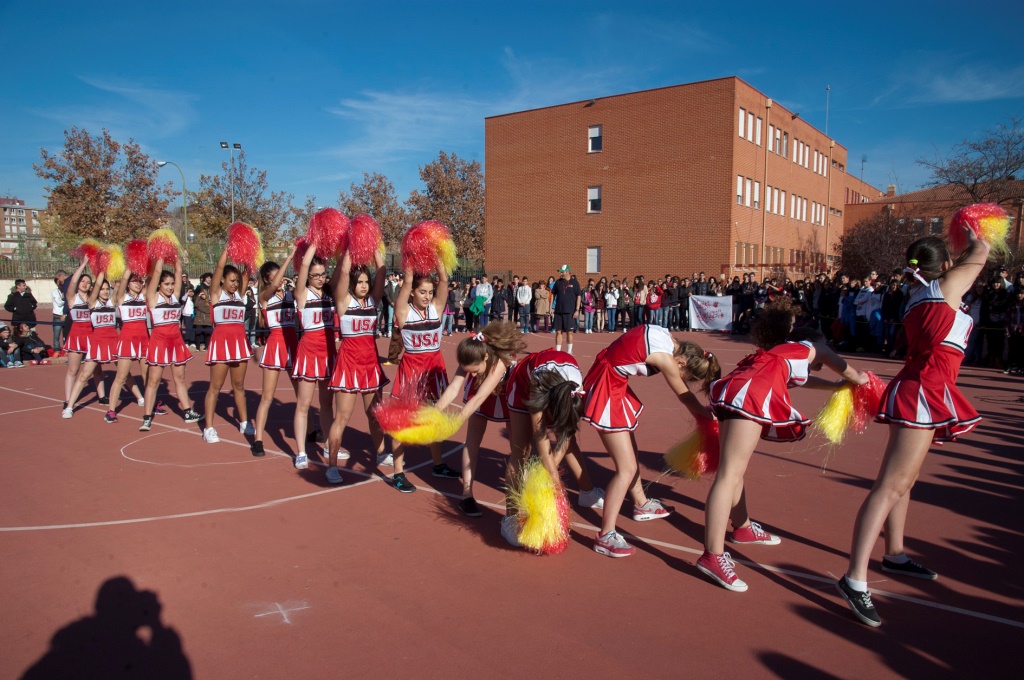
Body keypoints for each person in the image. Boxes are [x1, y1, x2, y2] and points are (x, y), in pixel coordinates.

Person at [837, 230, 989, 627]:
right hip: (923, 390)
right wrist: (974, 229)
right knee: (890, 485)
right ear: (947, 266)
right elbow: (982, 251)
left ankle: (895, 554)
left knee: (904, 481)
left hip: (920, 388)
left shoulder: (919, 294)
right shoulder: (942, 290)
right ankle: (854, 578)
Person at [699, 303, 867, 592]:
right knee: (729, 474)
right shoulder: (809, 347)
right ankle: (712, 556)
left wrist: (835, 387)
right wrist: (858, 379)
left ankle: (743, 527)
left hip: (733, 390)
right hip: (749, 396)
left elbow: (801, 381)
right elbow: (834, 360)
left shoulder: (783, 356)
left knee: (733, 469)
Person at [581, 324, 720, 557]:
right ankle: (605, 535)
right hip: (607, 388)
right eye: (684, 375)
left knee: (631, 453)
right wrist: (709, 417)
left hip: (614, 384)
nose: (679, 377)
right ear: (681, 363)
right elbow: (685, 396)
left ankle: (641, 504)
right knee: (626, 469)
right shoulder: (666, 359)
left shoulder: (668, 337)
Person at [500, 348, 605, 545]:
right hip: (523, 384)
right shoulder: (538, 388)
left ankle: (588, 493)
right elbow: (541, 437)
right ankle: (510, 519)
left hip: (557, 387)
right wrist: (552, 477)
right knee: (521, 450)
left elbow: (567, 435)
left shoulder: (576, 392)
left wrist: (546, 478)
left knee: (570, 442)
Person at [433, 322, 527, 514]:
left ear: (486, 357)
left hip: (506, 392)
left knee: (518, 446)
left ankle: (521, 490)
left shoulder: (500, 362)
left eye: (475, 371)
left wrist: (456, 420)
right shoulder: (471, 358)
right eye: (469, 372)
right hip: (480, 392)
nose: (472, 374)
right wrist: (436, 410)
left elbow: (480, 397)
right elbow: (453, 388)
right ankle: (466, 494)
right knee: (472, 442)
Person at [389, 265, 461, 489]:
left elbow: (444, 281)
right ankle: (398, 473)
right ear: (412, 292)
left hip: (434, 370)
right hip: (412, 371)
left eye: (430, 292)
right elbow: (407, 282)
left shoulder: (436, 308)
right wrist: (410, 267)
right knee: (402, 422)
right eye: (422, 292)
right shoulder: (404, 311)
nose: (427, 296)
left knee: (434, 417)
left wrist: (439, 257)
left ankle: (438, 464)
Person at [324, 250, 390, 484]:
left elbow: (382, 272)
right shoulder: (344, 301)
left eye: (366, 282)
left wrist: (373, 248)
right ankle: (332, 466)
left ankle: (381, 453)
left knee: (375, 414)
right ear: (352, 283)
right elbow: (343, 273)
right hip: (349, 364)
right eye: (359, 282)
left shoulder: (372, 300)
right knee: (342, 416)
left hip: (370, 363)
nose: (363, 285)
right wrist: (351, 248)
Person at [291, 243, 340, 471]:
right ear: (307, 277)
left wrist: (338, 249)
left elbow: (341, 269)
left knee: (327, 404)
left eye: (323, 274)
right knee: (304, 404)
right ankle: (301, 452)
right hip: (309, 350)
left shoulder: (330, 292)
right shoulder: (302, 293)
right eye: (315, 275)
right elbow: (303, 265)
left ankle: (329, 446)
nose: (320, 278)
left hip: (328, 351)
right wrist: (315, 242)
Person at [65, 272, 142, 417]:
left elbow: (119, 285)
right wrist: (101, 270)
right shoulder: (92, 303)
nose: (105, 291)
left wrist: (117, 269)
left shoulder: (112, 301)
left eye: (107, 289)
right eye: (102, 289)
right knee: (84, 375)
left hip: (113, 340)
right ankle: (69, 407)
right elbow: (97, 285)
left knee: (124, 373)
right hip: (98, 342)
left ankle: (140, 398)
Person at [139, 259, 202, 431]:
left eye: (172, 284)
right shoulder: (153, 298)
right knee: (153, 381)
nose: (170, 287)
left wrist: (175, 258)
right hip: (159, 342)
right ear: (159, 285)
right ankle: (147, 417)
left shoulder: (174, 297)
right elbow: (156, 273)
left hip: (176, 341)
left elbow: (178, 272)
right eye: (166, 284)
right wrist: (160, 256)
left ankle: (187, 412)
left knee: (180, 379)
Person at [201, 249, 254, 444]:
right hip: (221, 343)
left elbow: (248, 270)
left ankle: (244, 422)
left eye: (237, 281)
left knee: (239, 386)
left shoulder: (239, 295)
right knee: (215, 387)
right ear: (222, 280)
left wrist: (247, 249)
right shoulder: (216, 294)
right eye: (231, 280)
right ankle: (208, 428)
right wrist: (229, 248)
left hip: (239, 344)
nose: (235, 284)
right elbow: (219, 266)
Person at [251, 251, 299, 456]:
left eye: (280, 276)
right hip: (276, 345)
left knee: (301, 395)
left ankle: (311, 431)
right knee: (267, 397)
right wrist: (288, 258)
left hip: (293, 344)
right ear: (267, 280)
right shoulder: (265, 297)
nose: (279, 281)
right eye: (275, 277)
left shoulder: (290, 294)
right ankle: (258, 440)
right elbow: (272, 287)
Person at [104, 269, 151, 423]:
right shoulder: (122, 297)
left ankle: (151, 404)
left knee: (148, 376)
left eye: (140, 281)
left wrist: (147, 266)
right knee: (121, 376)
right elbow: (123, 280)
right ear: (128, 284)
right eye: (134, 281)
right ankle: (111, 411)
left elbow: (151, 279)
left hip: (143, 340)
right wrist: (131, 266)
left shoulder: (144, 296)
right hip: (127, 340)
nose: (138, 283)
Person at [62, 258, 106, 413]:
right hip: (76, 335)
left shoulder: (93, 298)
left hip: (92, 335)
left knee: (97, 368)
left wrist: (101, 267)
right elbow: (73, 281)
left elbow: (99, 284)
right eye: (83, 281)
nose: (85, 284)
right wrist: (83, 264)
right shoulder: (72, 297)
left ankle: (102, 396)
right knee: (73, 370)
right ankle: (68, 399)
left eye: (88, 282)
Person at [552, 265, 581, 352]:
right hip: (558, 311)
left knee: (569, 332)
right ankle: (558, 351)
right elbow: (553, 294)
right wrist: (551, 307)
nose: (561, 273)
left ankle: (569, 352)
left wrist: (577, 310)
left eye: (562, 272)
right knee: (558, 332)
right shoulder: (558, 282)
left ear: (567, 272)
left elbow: (578, 296)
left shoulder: (574, 282)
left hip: (570, 312)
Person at [52, 271, 68, 351]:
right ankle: (57, 350)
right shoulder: (54, 292)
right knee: (56, 335)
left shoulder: (67, 291)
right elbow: (59, 303)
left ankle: (66, 349)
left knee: (66, 334)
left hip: (66, 316)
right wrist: (64, 298)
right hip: (57, 317)